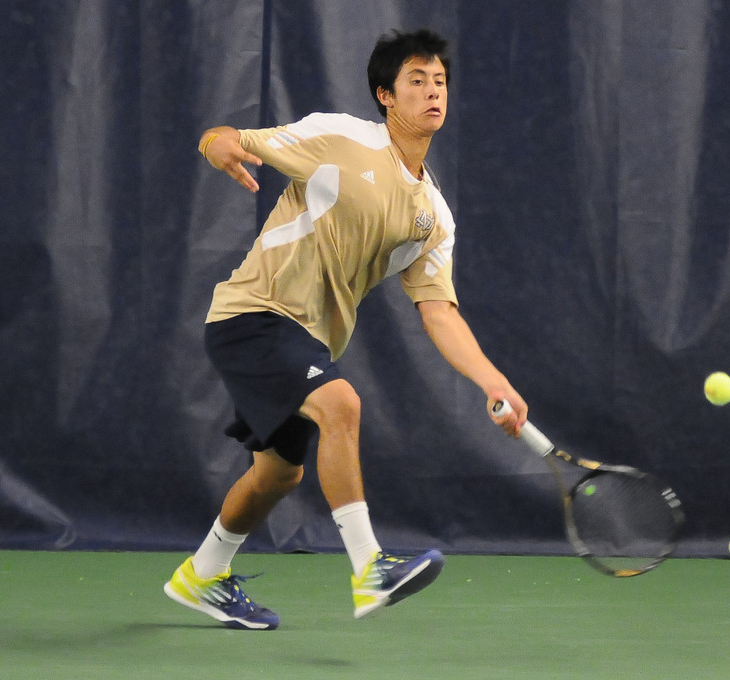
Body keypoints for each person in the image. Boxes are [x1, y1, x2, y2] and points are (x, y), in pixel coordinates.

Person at [164, 29, 528, 630]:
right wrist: (216, 147)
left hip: (308, 339)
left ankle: (203, 573)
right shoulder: (339, 138)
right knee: (342, 403)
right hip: (253, 313)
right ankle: (370, 570)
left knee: (279, 474)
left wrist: (495, 383)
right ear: (385, 96)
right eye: (417, 80)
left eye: (440, 81)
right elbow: (226, 137)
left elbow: (439, 311)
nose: (433, 92)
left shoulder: (433, 216)